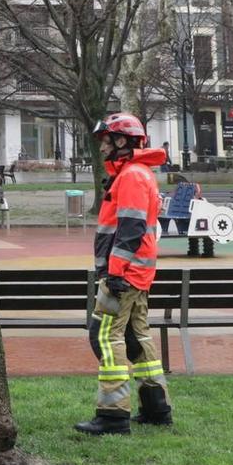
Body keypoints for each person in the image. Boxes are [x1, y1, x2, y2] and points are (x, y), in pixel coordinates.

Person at [75, 112, 172, 435]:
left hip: (124, 275)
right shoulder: (141, 174)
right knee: (138, 338)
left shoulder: (131, 176)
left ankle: (113, 414)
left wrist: (113, 272)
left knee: (105, 336)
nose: (101, 148)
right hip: (138, 274)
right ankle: (156, 407)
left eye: (105, 141)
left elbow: (128, 229)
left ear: (120, 141)